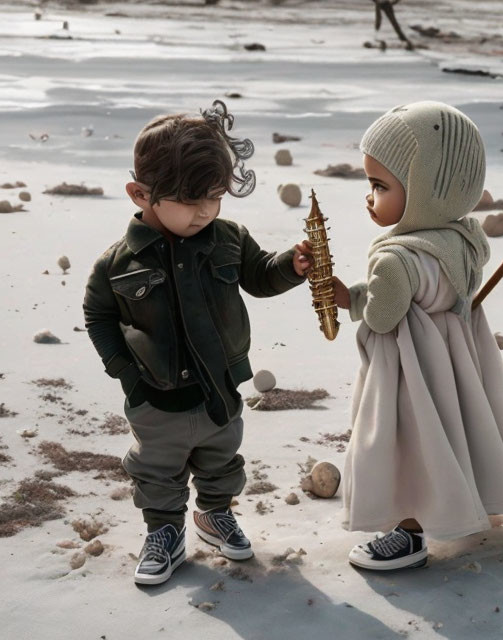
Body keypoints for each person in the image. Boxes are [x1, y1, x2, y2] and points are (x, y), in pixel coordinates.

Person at [83, 100, 313, 584]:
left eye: (215, 198)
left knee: (221, 460)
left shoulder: (227, 237)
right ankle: (164, 533)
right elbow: (98, 315)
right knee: (157, 471)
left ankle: (213, 514)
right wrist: (126, 375)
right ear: (140, 194)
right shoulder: (117, 264)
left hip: (220, 387)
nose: (205, 212)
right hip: (155, 396)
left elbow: (259, 276)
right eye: (191, 201)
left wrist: (291, 266)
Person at [331, 101, 503, 571]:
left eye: (380, 186)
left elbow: (383, 315)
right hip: (455, 360)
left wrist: (351, 299)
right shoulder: (464, 239)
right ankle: (472, 500)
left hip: (412, 373)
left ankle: (407, 533)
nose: (370, 196)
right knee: (457, 431)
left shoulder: (396, 258)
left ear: (425, 189)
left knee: (408, 444)